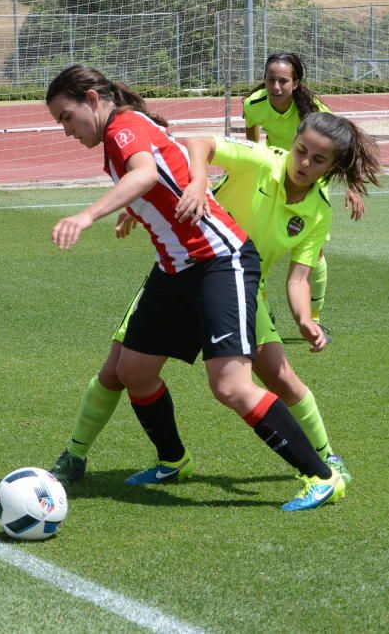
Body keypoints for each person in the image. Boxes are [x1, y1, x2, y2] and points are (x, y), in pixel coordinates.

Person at [46, 64, 344, 511]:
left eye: (67, 117)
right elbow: (169, 168)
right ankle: (174, 460)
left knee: (231, 386)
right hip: (175, 268)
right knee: (133, 371)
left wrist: (87, 216)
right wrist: (145, 206)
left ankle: (322, 477)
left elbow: (146, 173)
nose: (66, 130)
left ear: (91, 99)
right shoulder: (127, 125)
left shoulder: (121, 128)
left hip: (217, 262)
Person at [243, 52, 364, 329]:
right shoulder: (254, 105)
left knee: (314, 252)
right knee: (255, 247)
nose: (275, 87)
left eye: (283, 81)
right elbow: (253, 145)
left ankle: (315, 318)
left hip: (311, 184)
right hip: (274, 181)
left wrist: (353, 187)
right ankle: (261, 307)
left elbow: (342, 150)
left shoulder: (315, 111)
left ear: (296, 83)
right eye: (270, 80)